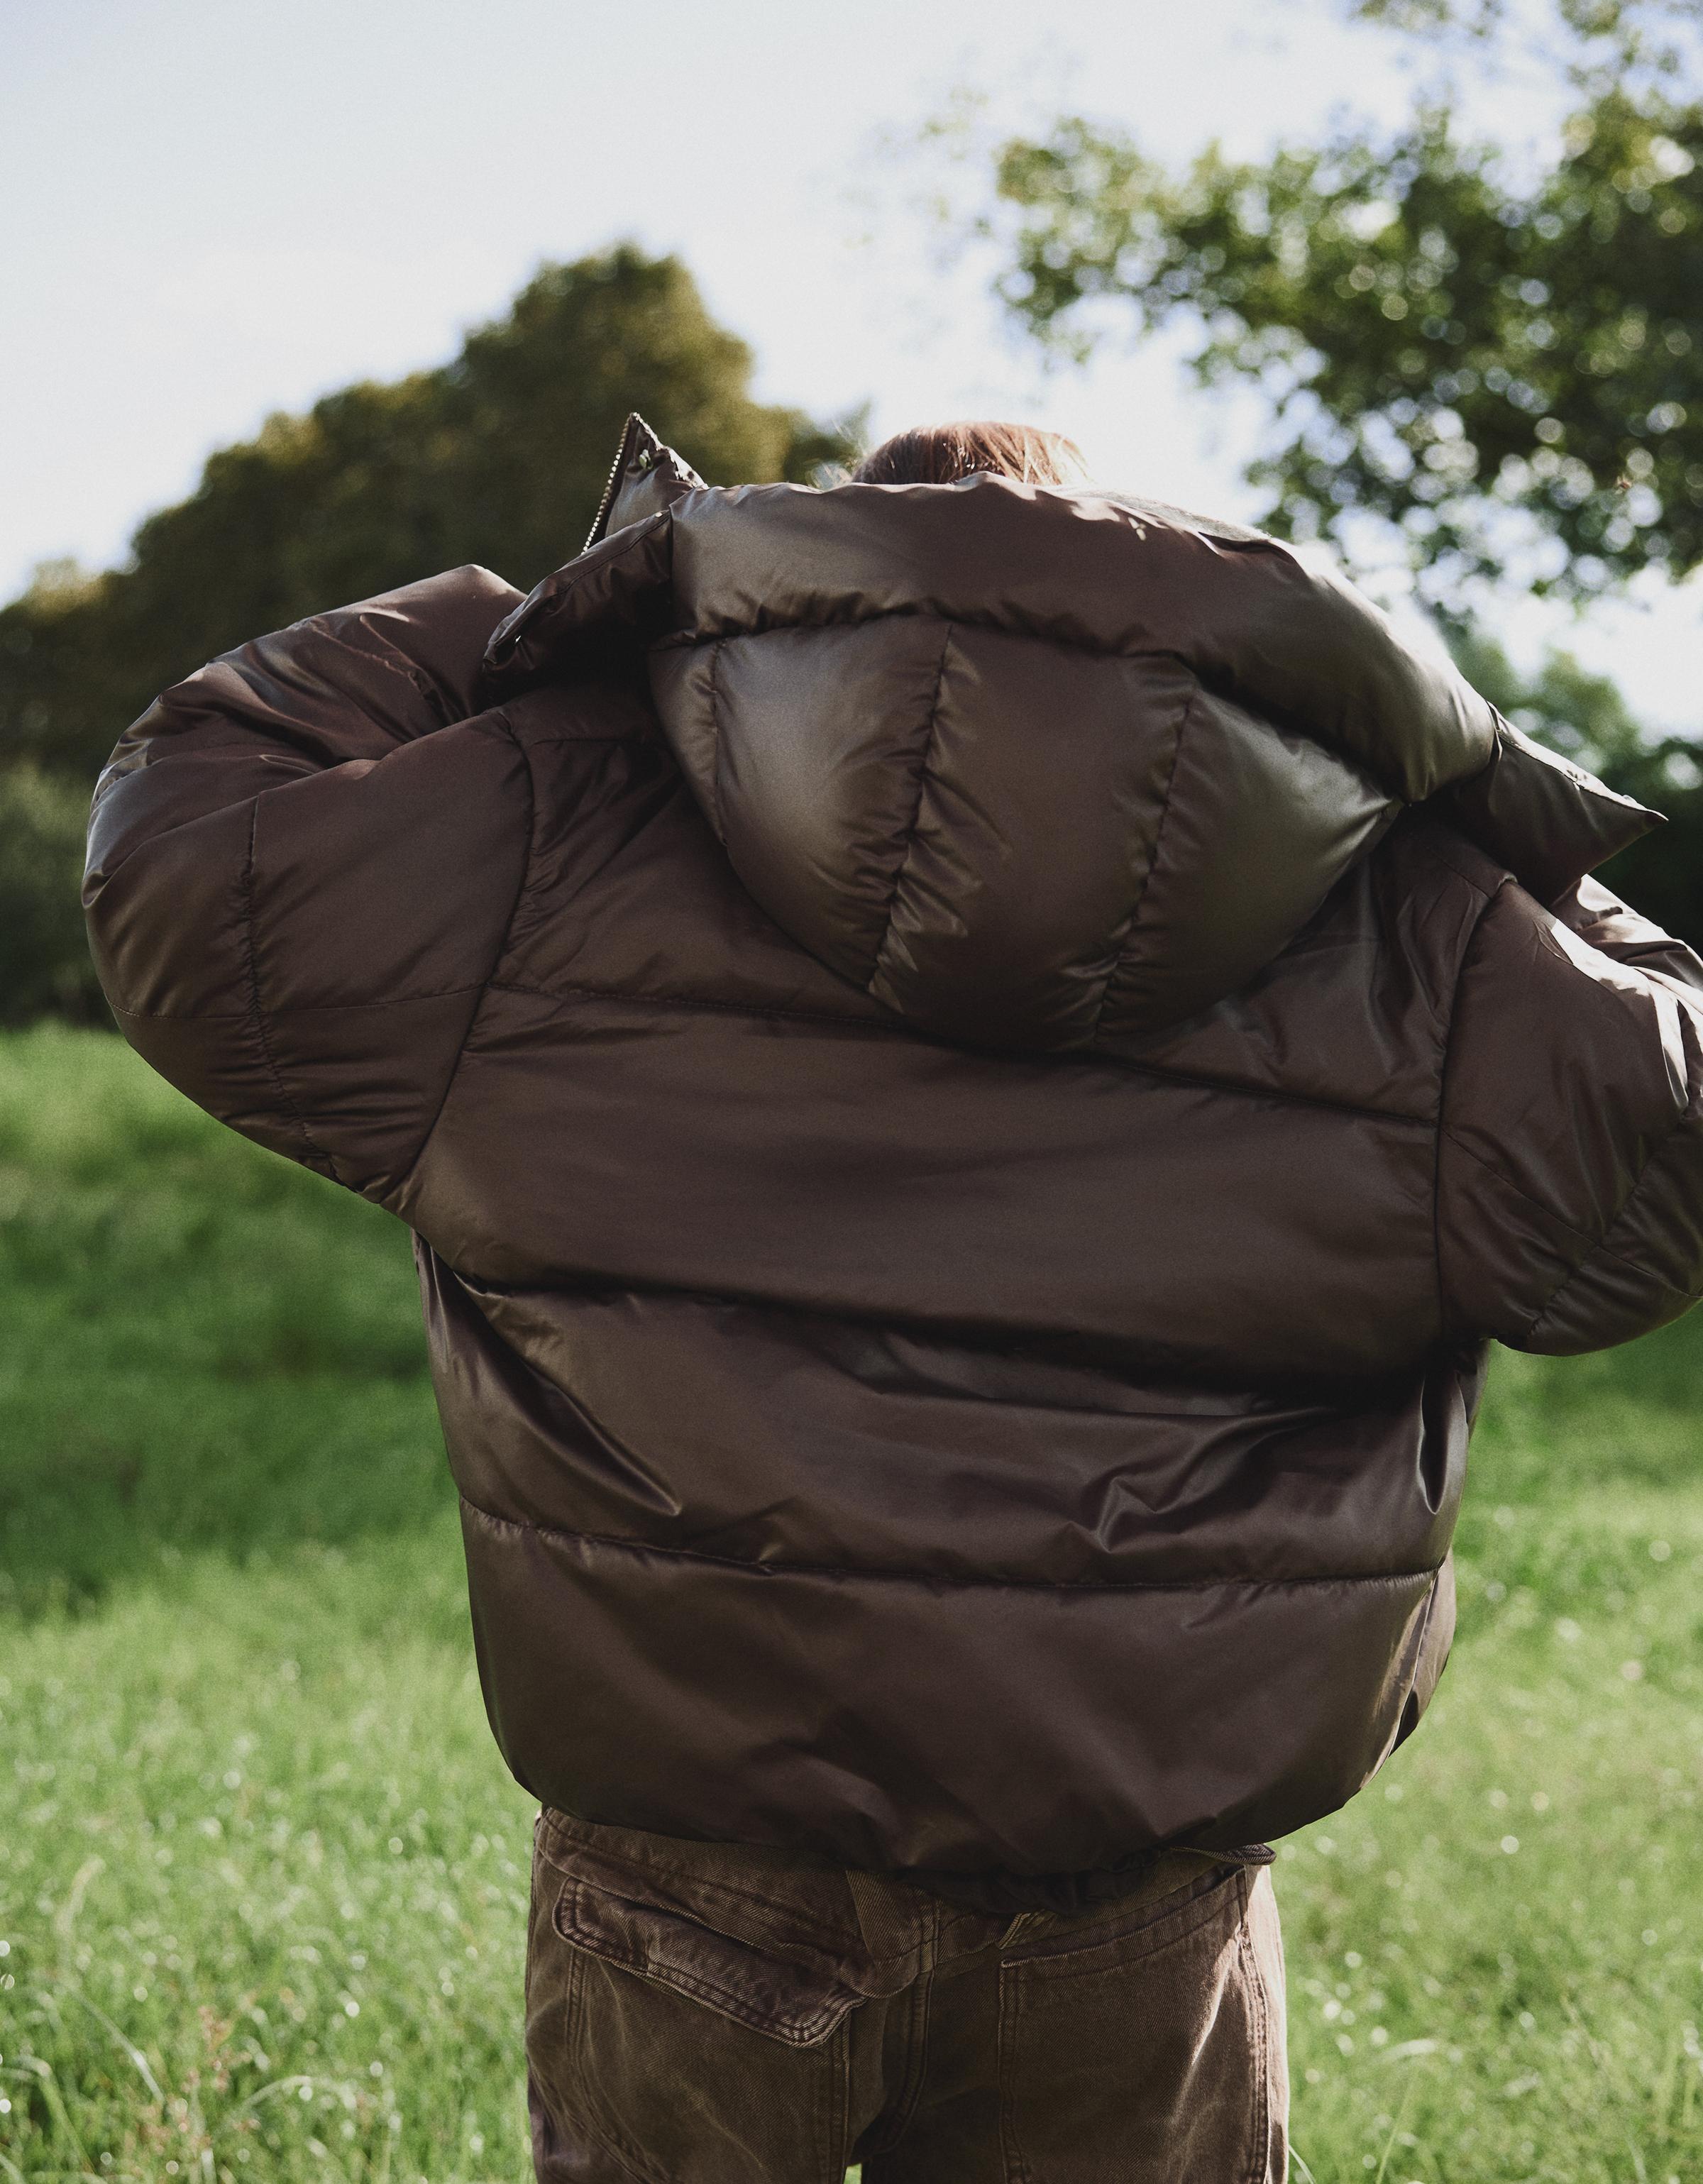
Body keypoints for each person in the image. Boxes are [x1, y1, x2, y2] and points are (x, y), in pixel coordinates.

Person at [84, 414, 1703, 2183]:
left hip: (695, 1838)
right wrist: (1483, 799)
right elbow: (1660, 1146)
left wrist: (571, 604)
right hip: (1137, 1858)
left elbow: (191, 829)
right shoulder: (1420, 920)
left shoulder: (552, 823)